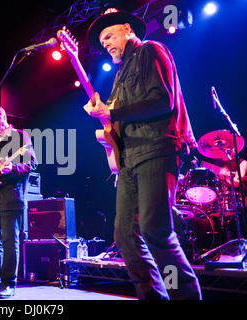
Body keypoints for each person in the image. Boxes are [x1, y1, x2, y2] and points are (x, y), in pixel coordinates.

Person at [83, 8, 201, 299]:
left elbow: (161, 100)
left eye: (109, 36)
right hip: (129, 160)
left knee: (154, 230)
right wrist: (105, 128)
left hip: (157, 148)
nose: (105, 44)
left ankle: (183, 295)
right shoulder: (119, 74)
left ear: (127, 28)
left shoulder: (151, 50)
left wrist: (111, 110)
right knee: (124, 236)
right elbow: (116, 117)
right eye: (101, 41)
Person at [0, 105, 37, 299]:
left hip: (12, 196)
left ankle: (9, 283)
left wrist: (14, 168)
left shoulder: (21, 137)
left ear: (4, 117)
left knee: (10, 241)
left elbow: (32, 163)